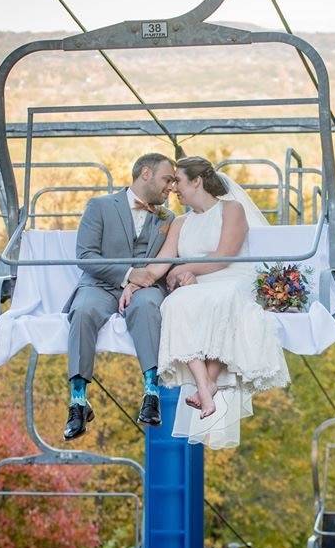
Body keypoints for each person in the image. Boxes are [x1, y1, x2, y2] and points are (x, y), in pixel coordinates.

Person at [123, 156, 290, 449]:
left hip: (230, 276)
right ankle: (205, 384)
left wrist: (186, 269)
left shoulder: (231, 210)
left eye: (178, 181)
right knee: (174, 304)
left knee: (221, 302)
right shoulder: (180, 222)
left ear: (197, 181)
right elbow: (162, 262)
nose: (173, 188)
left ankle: (206, 385)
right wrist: (135, 282)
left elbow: (225, 254)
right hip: (198, 283)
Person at [61, 153, 177, 440]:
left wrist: (141, 281)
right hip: (100, 284)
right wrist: (127, 275)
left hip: (145, 288)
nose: (172, 187)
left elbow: (166, 259)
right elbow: (86, 257)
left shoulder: (168, 217)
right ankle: (77, 400)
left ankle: (151, 392)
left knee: (150, 306)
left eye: (174, 181)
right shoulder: (100, 206)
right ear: (146, 174)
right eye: (168, 179)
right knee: (84, 310)